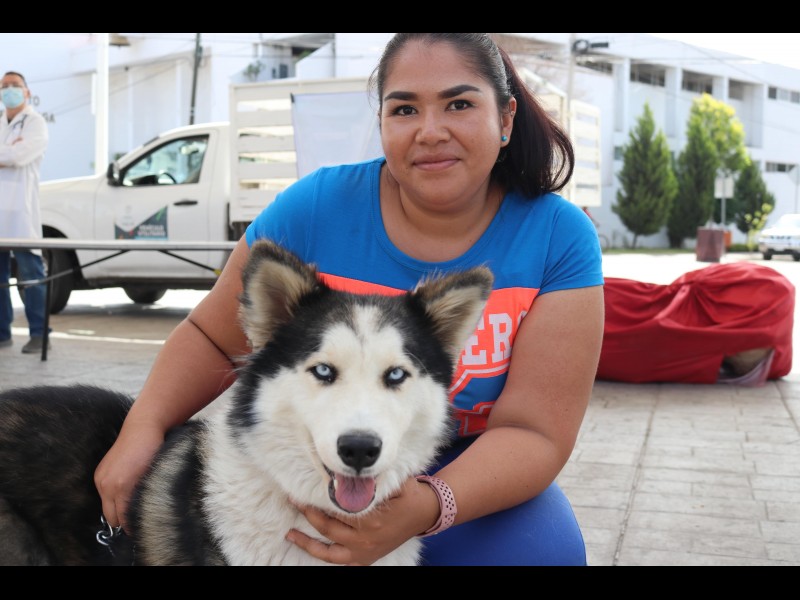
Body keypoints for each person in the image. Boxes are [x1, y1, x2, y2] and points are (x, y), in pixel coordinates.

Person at [95, 33, 605, 566]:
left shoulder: (557, 236)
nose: (431, 131)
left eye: (458, 104)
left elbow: (534, 432)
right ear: (380, 122)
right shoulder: (315, 208)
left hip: (470, 459)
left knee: (544, 555)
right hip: (320, 455)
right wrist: (143, 426)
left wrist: (429, 505)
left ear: (505, 118)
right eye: (404, 109)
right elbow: (211, 336)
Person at [0, 71, 51, 354]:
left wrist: (10, 154)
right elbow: (9, 155)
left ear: (27, 92)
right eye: (4, 86)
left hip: (21, 211)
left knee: (31, 275)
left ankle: (39, 334)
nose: (9, 90)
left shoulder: (35, 123)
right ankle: (2, 333)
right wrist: (7, 153)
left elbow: (19, 156)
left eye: (15, 86)